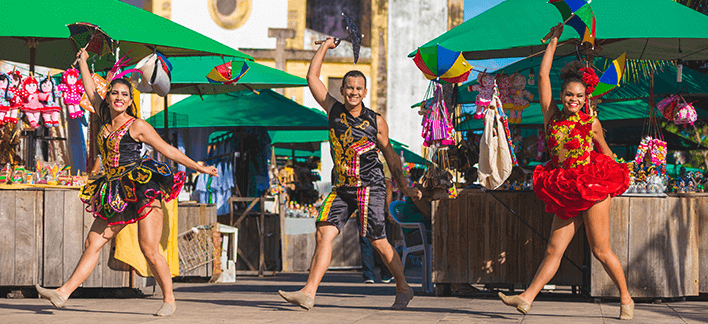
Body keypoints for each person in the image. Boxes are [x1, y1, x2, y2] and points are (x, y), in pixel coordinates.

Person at [35, 49, 218, 317]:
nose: (119, 98)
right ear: (108, 97)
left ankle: (169, 299)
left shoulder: (137, 126)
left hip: (142, 188)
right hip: (114, 191)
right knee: (92, 242)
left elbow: (168, 150)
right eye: (114, 94)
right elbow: (89, 89)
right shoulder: (102, 116)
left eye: (124, 95)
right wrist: (83, 63)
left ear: (130, 100)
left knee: (149, 248)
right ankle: (63, 293)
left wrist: (198, 167)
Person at [498, 23, 634, 320]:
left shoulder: (592, 123)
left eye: (580, 96)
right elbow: (544, 75)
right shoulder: (551, 117)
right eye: (570, 95)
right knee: (552, 250)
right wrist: (555, 39)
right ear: (562, 96)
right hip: (564, 186)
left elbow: (607, 153)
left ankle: (626, 298)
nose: (575, 100)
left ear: (587, 99)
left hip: (592, 185)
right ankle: (526, 298)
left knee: (600, 250)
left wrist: (616, 175)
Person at [278, 37, 422, 311]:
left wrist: (405, 186)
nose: (353, 92)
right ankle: (308, 293)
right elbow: (312, 78)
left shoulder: (375, 121)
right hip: (342, 188)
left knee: (378, 240)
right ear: (342, 90)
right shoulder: (333, 111)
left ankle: (403, 287)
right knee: (323, 232)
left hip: (370, 187)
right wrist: (324, 48)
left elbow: (390, 156)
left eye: (358, 89)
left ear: (365, 92)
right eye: (349, 88)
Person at [359, 153, 394, 284]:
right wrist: (389, 207)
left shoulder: (361, 158)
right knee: (382, 240)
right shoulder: (383, 161)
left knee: (367, 240)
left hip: (364, 203)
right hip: (378, 205)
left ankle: (369, 275)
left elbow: (388, 186)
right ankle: (385, 274)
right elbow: (388, 186)